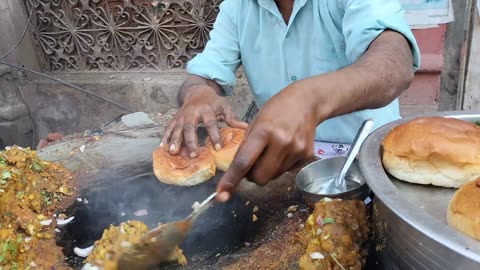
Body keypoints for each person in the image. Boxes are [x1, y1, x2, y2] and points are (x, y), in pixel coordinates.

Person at [161, 0, 420, 202]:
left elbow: (395, 63)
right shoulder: (237, 8)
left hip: (364, 162)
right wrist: (197, 93)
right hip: (284, 165)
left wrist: (309, 99)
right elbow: (203, 76)